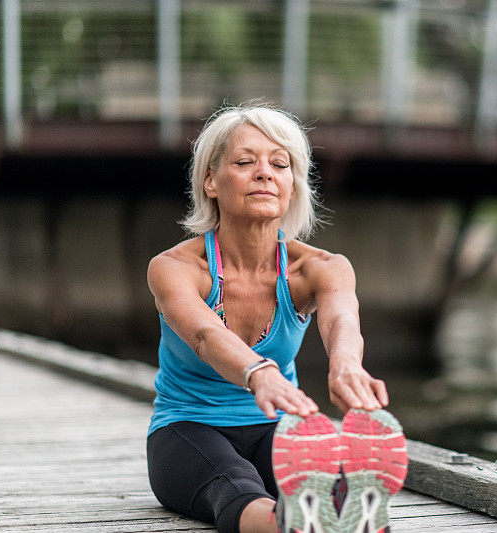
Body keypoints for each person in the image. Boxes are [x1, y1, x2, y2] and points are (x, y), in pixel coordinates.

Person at [145, 104, 407, 533]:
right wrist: (258, 373)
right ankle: (295, 522)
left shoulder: (320, 267)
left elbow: (342, 320)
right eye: (245, 162)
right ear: (210, 181)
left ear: (292, 186)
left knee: (322, 487)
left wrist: (345, 366)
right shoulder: (174, 268)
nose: (265, 172)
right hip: (188, 428)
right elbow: (205, 334)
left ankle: (339, 511)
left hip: (279, 430)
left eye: (280, 164)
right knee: (234, 485)